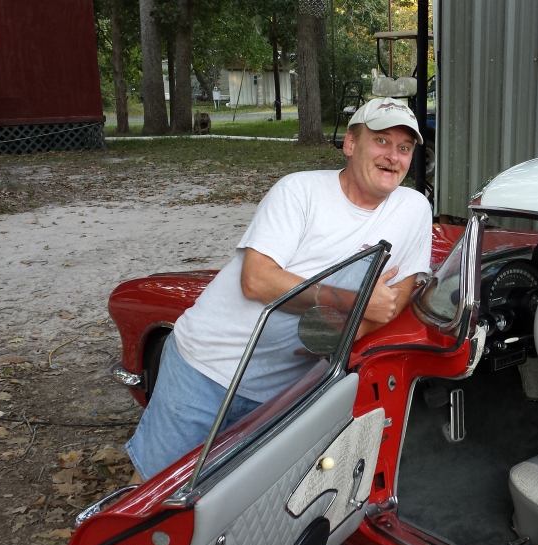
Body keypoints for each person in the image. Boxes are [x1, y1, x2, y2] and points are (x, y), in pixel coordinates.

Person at [126, 97, 433, 484]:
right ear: (351, 144)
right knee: (158, 491)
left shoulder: (413, 207)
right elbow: (257, 280)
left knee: (233, 502)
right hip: (207, 367)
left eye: (404, 148)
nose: (393, 157)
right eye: (382, 141)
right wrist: (354, 303)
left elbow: (402, 288)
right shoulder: (299, 191)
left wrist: (347, 333)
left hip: (284, 390)